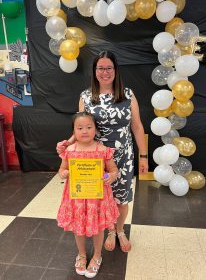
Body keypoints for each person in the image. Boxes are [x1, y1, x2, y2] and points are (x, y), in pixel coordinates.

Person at [57, 50, 148, 253]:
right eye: (100, 68)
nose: (104, 72)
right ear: (94, 71)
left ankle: (120, 230)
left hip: (123, 158)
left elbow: (137, 127)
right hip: (95, 160)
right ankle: (109, 230)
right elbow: (81, 125)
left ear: (115, 70)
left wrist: (143, 156)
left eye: (109, 68)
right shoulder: (86, 96)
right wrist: (68, 142)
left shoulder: (128, 95)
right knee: (102, 197)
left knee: (121, 198)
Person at [57, 111, 119, 278]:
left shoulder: (102, 150)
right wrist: (63, 173)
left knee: (98, 227)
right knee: (79, 227)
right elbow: (62, 169)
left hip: (97, 198)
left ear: (95, 130)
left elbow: (113, 170)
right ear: (74, 131)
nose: (84, 131)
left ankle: (97, 255)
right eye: (80, 128)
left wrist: (110, 176)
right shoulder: (69, 150)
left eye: (89, 127)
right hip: (76, 198)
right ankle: (82, 254)